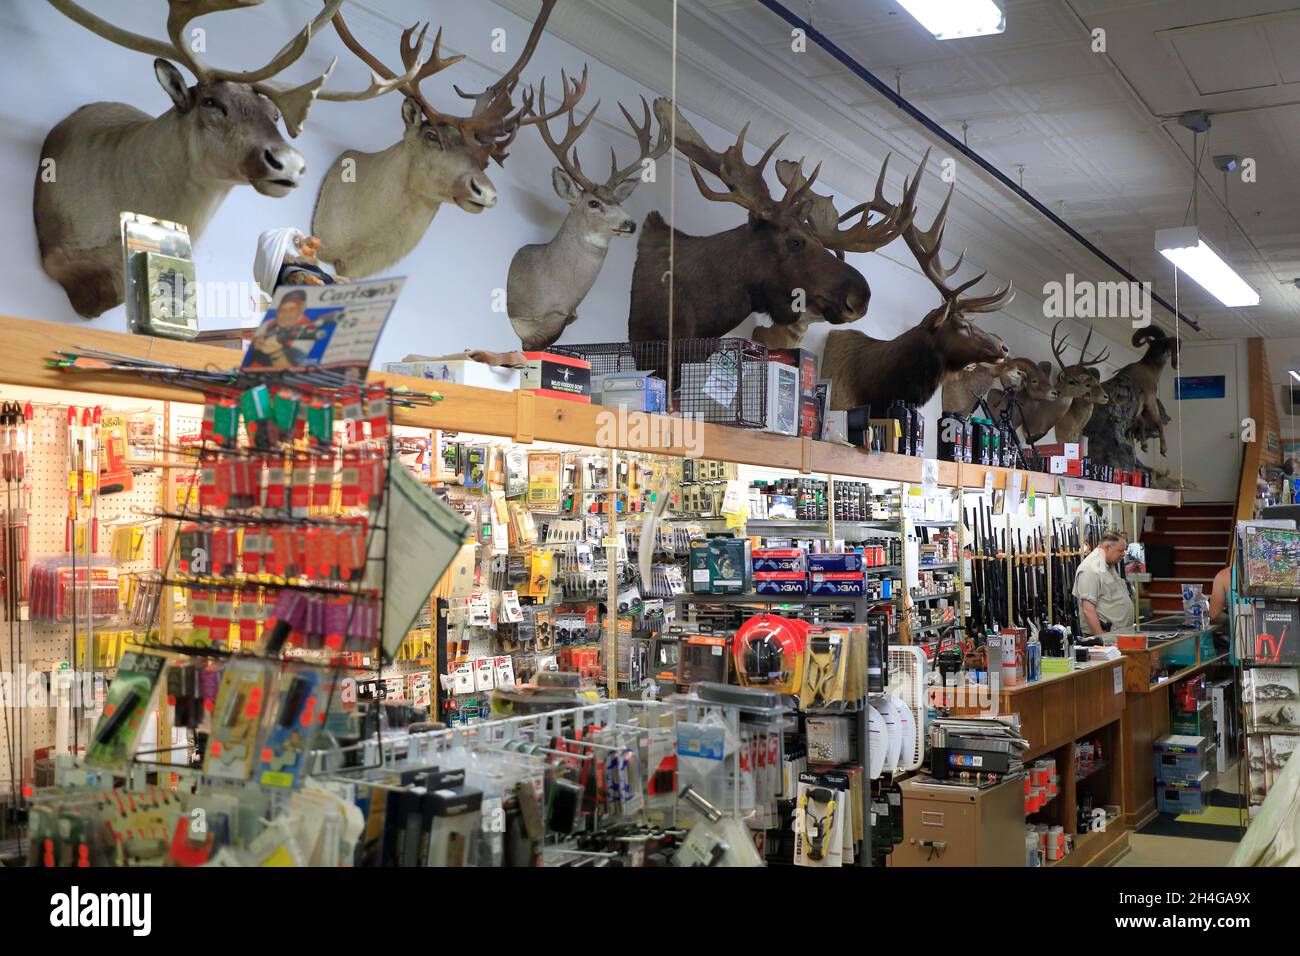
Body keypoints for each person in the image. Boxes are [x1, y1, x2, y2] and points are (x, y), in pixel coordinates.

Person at [1072, 530, 1135, 639]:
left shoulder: (1107, 565)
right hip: (1105, 640)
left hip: (1116, 636)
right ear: (1107, 547)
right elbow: (1088, 609)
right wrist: (1102, 640)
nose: (1123, 554)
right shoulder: (1090, 569)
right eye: (1120, 550)